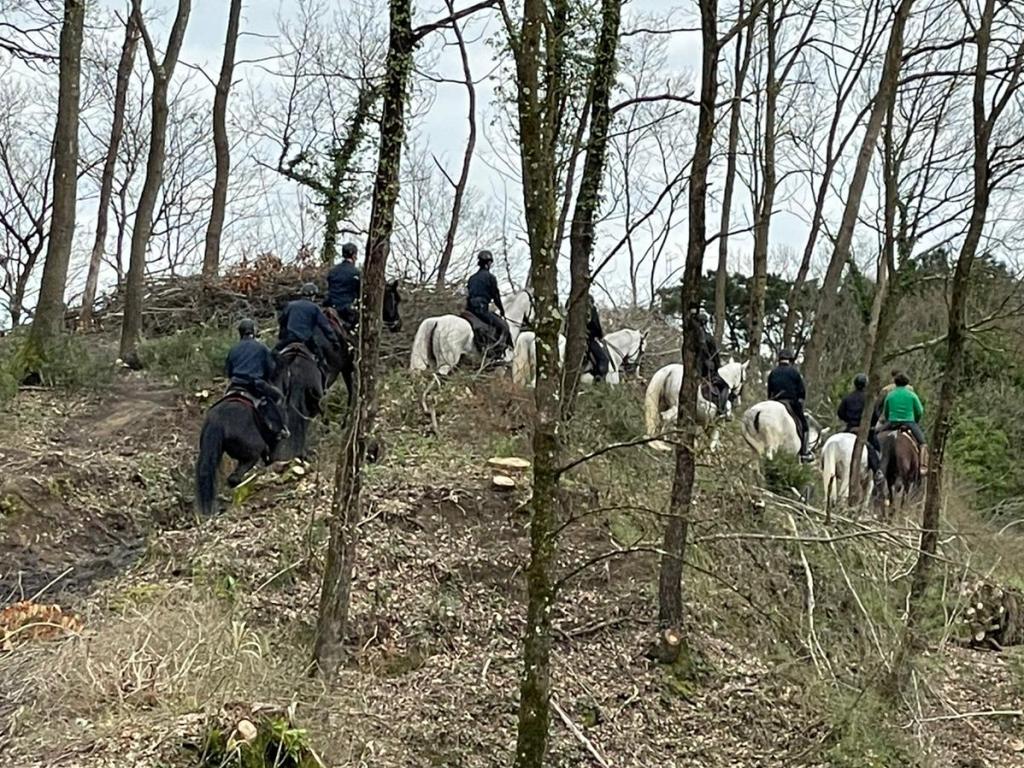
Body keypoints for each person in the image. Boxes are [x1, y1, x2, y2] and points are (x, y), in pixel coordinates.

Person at [225, 319, 286, 440]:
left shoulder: (234, 349)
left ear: (240, 333)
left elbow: (228, 371)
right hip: (255, 385)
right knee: (278, 397)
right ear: (253, 332)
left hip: (236, 383)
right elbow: (270, 369)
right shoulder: (261, 348)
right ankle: (279, 429)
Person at [275, 283, 340, 373]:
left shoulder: (290, 306)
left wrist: (281, 337)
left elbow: (282, 321)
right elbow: (325, 327)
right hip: (307, 341)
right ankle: (322, 382)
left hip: (289, 339)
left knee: (273, 355)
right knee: (321, 361)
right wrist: (334, 341)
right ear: (313, 296)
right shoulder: (314, 308)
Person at [767, 348, 812, 462]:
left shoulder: (773, 373)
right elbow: (802, 392)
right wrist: (800, 400)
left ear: (779, 360)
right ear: (790, 360)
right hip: (790, 403)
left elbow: (769, 392)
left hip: (774, 402)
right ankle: (804, 452)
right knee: (805, 425)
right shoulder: (794, 373)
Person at [837, 373, 882, 482]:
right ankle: (877, 472)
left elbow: (840, 413)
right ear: (866, 385)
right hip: (864, 431)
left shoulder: (847, 398)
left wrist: (849, 420)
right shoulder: (870, 399)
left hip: (850, 428)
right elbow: (875, 416)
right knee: (874, 448)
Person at [879, 372, 928, 471]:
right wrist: (916, 420)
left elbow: (886, 412)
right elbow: (920, 411)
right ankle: (923, 466)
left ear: (895, 383)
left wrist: (889, 420)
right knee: (923, 443)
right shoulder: (912, 395)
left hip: (892, 423)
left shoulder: (890, 395)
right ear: (907, 383)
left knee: (875, 436)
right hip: (909, 422)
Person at [466, 250, 511, 352]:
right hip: (481, 308)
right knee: (503, 326)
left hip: (469, 309)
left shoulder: (472, 278)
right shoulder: (490, 278)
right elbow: (496, 296)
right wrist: (501, 309)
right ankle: (496, 351)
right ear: (489, 263)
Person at [693, 308, 729, 414]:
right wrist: (717, 366)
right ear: (705, 323)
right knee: (725, 386)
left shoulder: (690, 338)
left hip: (692, 368)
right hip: (705, 371)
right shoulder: (709, 338)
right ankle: (721, 411)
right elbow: (716, 358)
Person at [326, 242, 361, 329]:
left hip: (332, 307)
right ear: (353, 255)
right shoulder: (356, 273)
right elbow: (359, 292)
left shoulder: (333, 271)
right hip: (348, 310)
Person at [585, 293, 610, 383]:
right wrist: (599, 335)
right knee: (603, 359)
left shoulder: (571, 305)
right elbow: (595, 324)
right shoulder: (590, 308)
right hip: (588, 337)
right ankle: (599, 376)